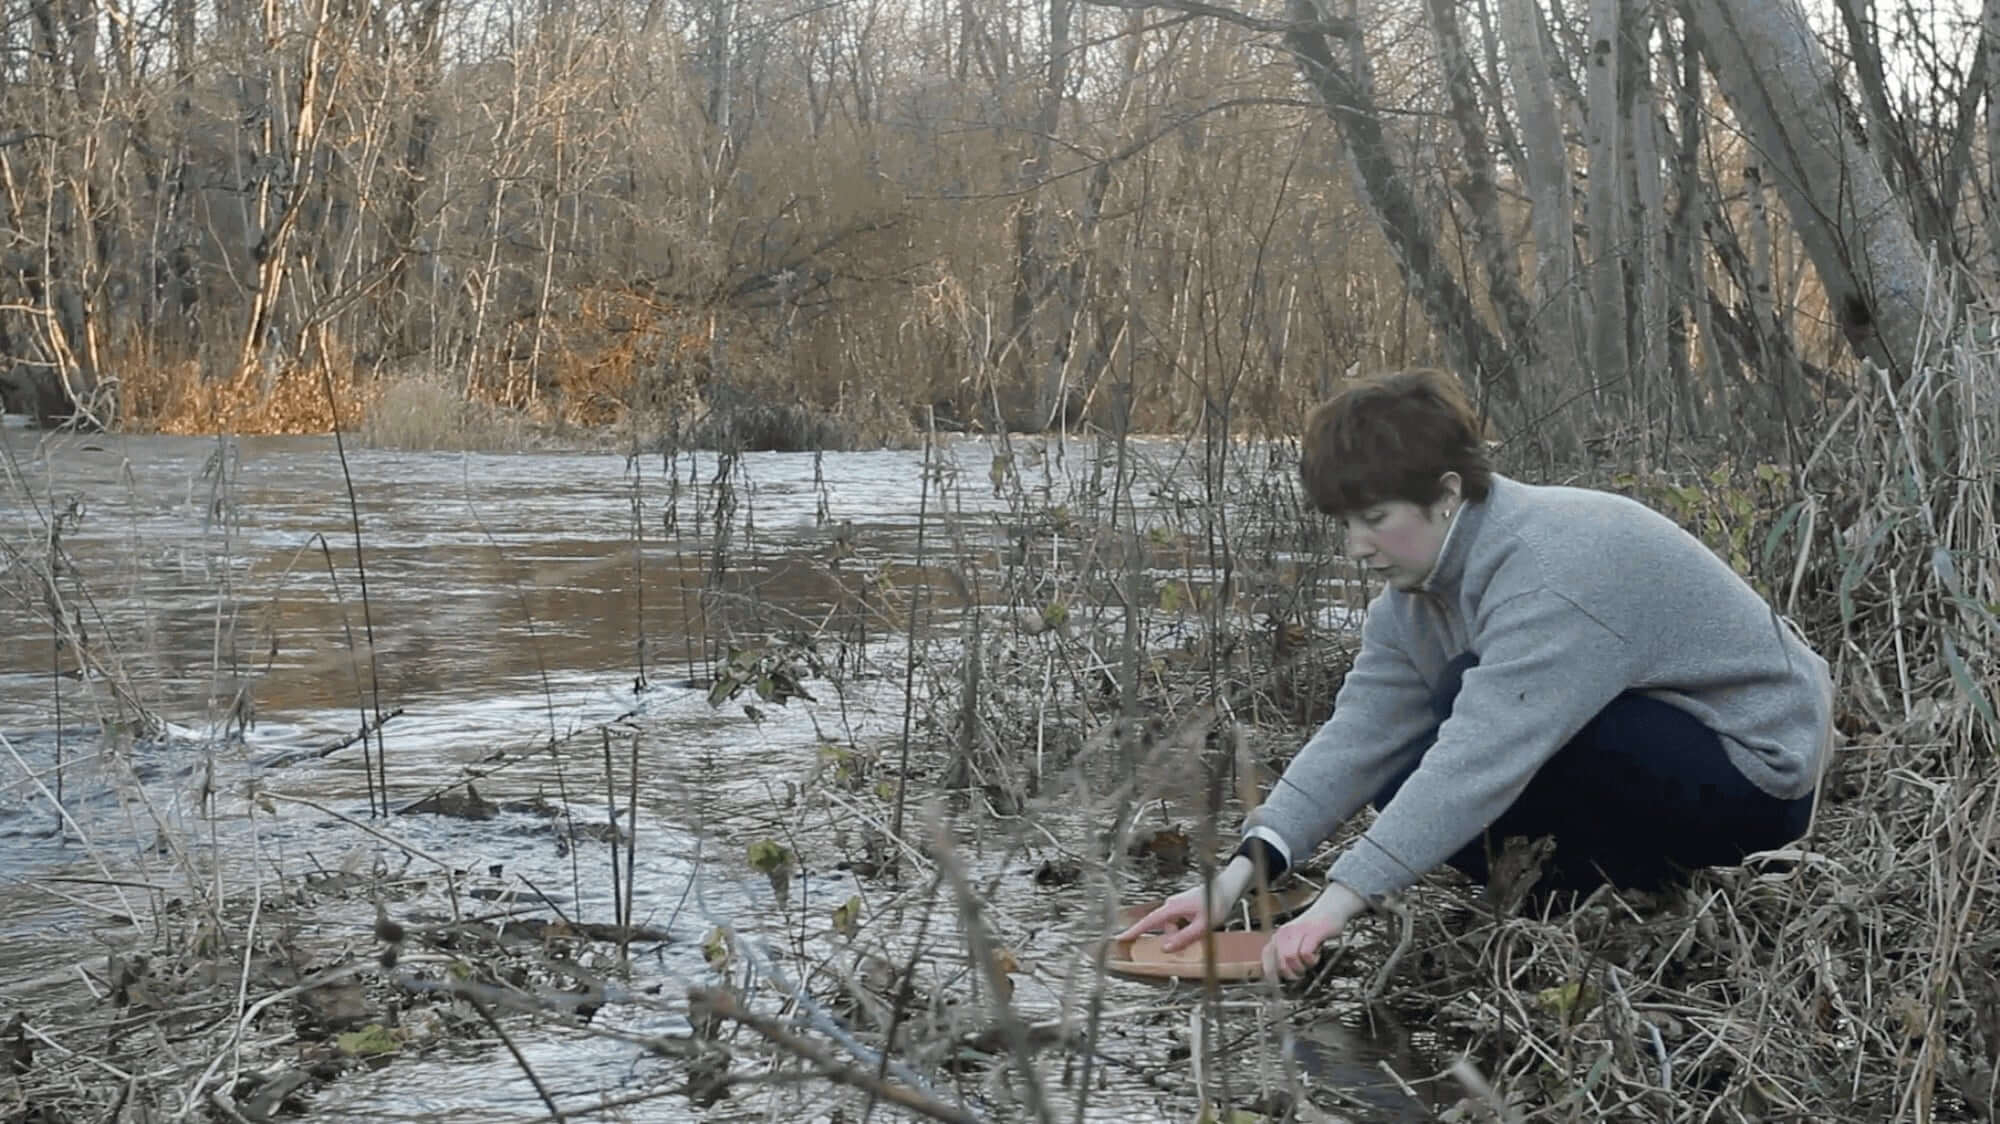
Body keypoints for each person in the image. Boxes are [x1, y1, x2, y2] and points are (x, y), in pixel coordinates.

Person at [1117, 369, 1834, 981]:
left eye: (1374, 518)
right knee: (1397, 768)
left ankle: (1636, 891)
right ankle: (1596, 901)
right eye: (1344, 524)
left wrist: (1337, 903)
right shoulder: (1413, 597)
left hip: (1755, 779)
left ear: (1448, 492)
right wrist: (1241, 876)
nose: (1358, 547)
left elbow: (1481, 755)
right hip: (1641, 747)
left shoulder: (1551, 570)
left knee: (1461, 716)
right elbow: (1359, 737)